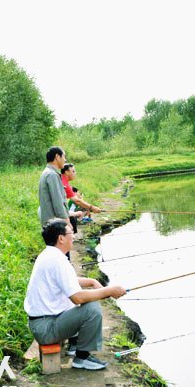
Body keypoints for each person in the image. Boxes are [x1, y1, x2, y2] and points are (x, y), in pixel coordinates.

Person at [24, 218, 127, 370]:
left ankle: (75, 345)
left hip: (43, 323)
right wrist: (109, 291)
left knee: (84, 303)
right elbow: (77, 297)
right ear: (61, 238)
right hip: (46, 328)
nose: (73, 236)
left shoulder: (50, 255)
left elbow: (66, 281)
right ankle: (82, 357)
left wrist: (91, 281)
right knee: (91, 308)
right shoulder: (57, 260)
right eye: (71, 233)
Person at [39, 147, 70, 227]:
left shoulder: (47, 172)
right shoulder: (52, 174)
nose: (65, 160)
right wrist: (66, 221)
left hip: (51, 222)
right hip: (55, 223)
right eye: (64, 156)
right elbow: (58, 201)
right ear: (57, 157)